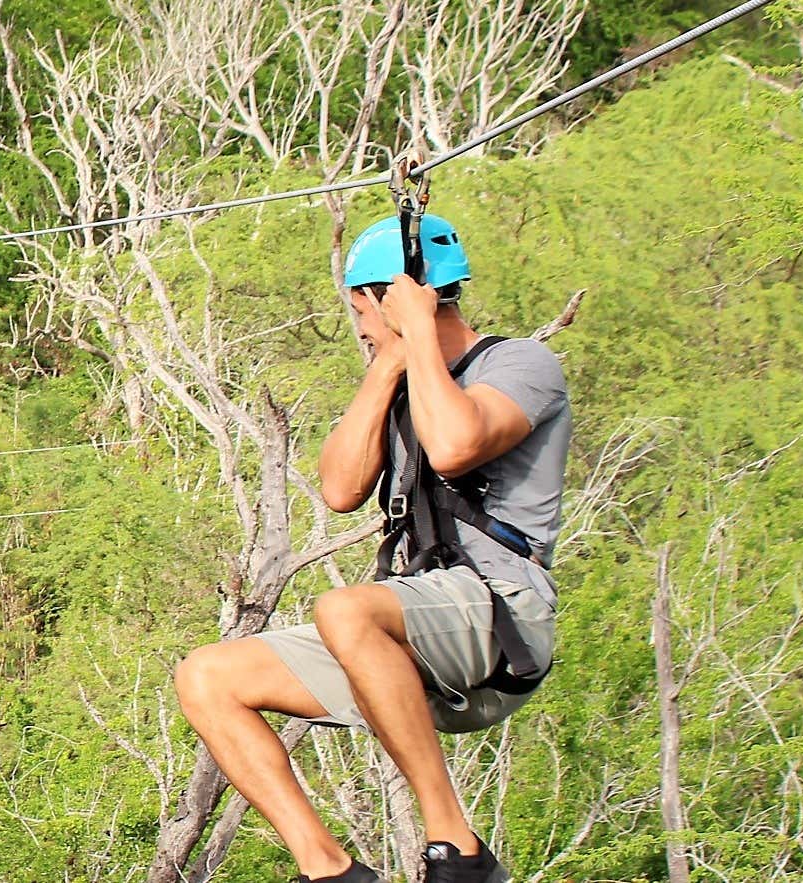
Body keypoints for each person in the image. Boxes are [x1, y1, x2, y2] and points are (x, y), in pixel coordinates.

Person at [172, 215, 569, 883]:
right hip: (415, 632)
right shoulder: (402, 380)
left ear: (401, 297)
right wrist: (392, 360)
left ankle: (458, 847)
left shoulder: (521, 363)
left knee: (346, 608)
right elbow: (338, 487)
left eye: (363, 308)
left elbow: (454, 445)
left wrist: (414, 334)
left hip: (503, 615)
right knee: (207, 677)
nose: (358, 326)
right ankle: (331, 870)